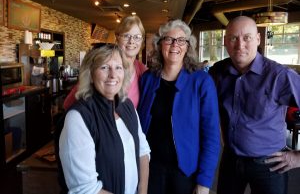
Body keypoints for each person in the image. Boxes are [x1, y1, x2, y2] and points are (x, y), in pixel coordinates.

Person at [208, 16, 300, 194]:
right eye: (234, 38)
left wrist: (298, 157)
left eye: (247, 38)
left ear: (258, 39)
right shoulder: (218, 72)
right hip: (231, 161)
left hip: (270, 165)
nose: (240, 45)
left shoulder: (279, 76)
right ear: (225, 42)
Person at [138, 19, 220, 194]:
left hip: (185, 171)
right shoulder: (148, 79)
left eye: (181, 40)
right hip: (150, 169)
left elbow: (211, 136)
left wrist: (204, 182)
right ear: (160, 45)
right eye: (168, 39)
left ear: (188, 46)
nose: (175, 44)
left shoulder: (202, 82)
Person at [59, 44, 150, 194]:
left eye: (118, 67)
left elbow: (143, 151)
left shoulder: (127, 106)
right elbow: (86, 190)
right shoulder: (78, 118)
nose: (113, 75)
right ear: (90, 74)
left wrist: (142, 191)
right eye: (104, 67)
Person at [63, 15, 147, 110]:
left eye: (137, 37)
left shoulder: (142, 71)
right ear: (117, 37)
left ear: (142, 41)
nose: (131, 41)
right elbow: (68, 104)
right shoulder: (101, 65)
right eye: (126, 36)